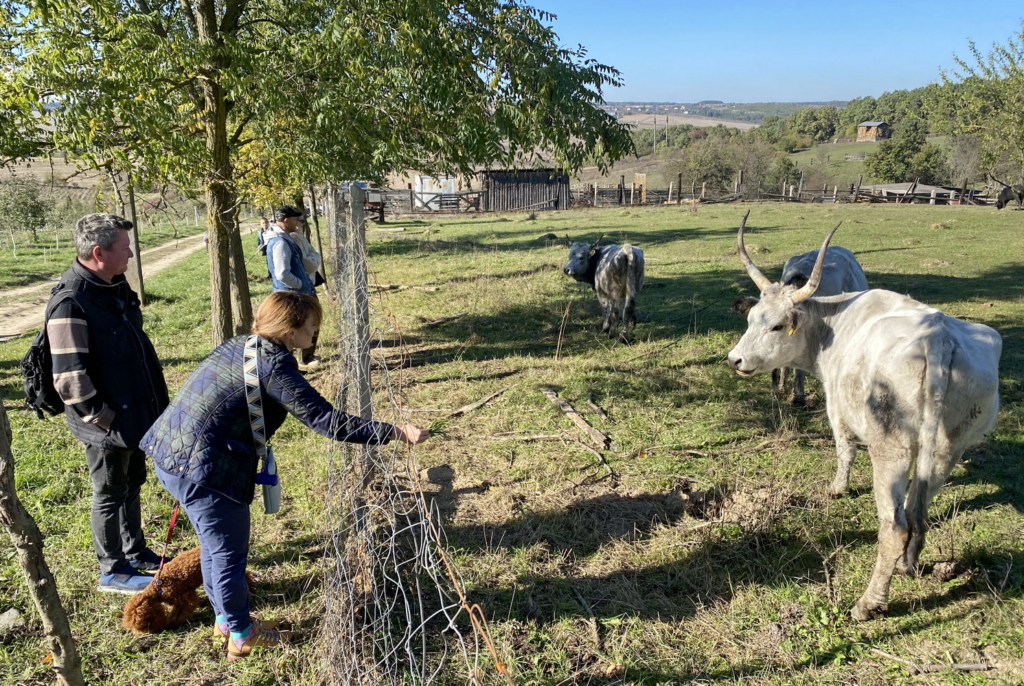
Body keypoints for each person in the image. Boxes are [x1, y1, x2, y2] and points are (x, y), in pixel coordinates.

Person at [141, 291, 429, 660]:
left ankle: (226, 621)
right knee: (228, 554)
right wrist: (393, 432)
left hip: (171, 453)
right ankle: (242, 635)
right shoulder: (274, 365)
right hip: (206, 469)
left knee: (215, 547)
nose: (315, 335)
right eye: (312, 327)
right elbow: (325, 420)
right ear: (291, 330)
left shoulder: (240, 345)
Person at [46, 213, 170, 594]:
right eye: (124, 247)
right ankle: (112, 569)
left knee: (132, 481)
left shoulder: (112, 288)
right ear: (99, 252)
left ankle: (135, 551)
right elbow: (69, 377)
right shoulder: (72, 302)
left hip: (133, 412)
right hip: (108, 423)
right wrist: (103, 419)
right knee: (109, 490)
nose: (131, 253)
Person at [263, 206, 320, 368]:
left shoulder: (284, 239)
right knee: (292, 333)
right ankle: (290, 366)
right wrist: (301, 284)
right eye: (295, 219)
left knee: (293, 332)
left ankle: (292, 365)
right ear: (286, 220)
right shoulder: (280, 242)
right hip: (292, 296)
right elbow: (282, 274)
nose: (298, 222)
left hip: (294, 294)